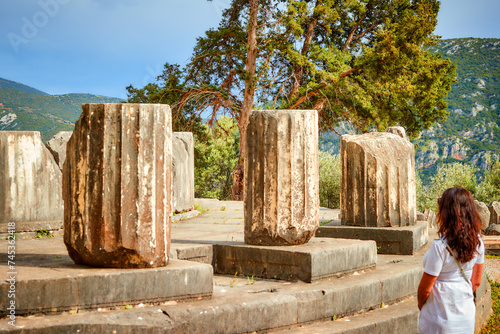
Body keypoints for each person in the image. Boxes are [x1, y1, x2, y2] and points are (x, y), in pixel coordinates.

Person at [418, 187, 484, 333]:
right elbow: (476, 281)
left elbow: (424, 289)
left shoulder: (439, 247)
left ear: (447, 212)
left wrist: (425, 307)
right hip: (465, 313)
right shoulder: (478, 242)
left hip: (438, 316)